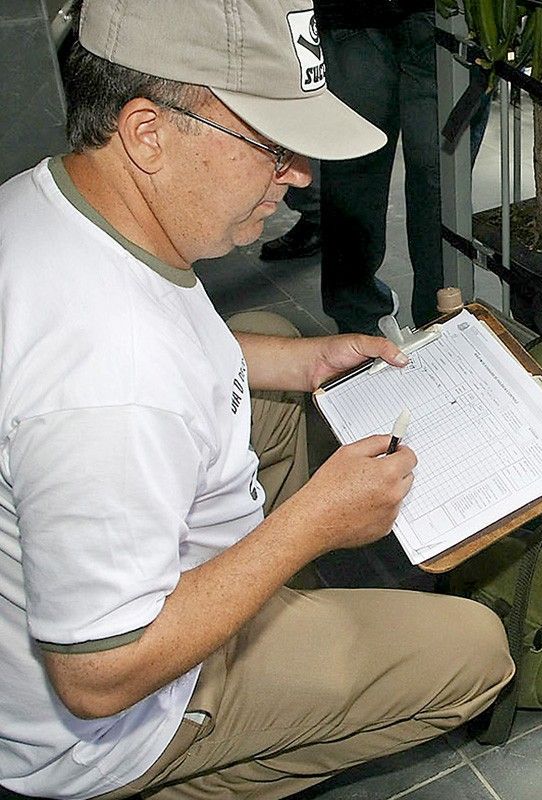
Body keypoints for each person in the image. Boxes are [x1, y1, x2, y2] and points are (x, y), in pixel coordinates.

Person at [0, 1, 512, 798]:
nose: (300, 176)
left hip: (86, 579)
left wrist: (303, 360)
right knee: (477, 651)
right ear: (148, 133)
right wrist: (313, 527)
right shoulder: (108, 383)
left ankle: (262, 609)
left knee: (268, 329)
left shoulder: (59, 205)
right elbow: (97, 676)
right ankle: (186, 769)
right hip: (117, 723)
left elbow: (175, 356)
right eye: (272, 147)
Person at [315, 1, 491, 333]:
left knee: (437, 182)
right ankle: (374, 320)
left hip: (443, 18)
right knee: (356, 167)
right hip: (356, 18)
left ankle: (440, 320)